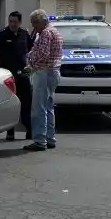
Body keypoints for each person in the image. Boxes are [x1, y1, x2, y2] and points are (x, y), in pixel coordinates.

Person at [0, 11, 33, 141]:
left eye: (15, 22)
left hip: (23, 74)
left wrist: (30, 64)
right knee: (10, 103)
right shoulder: (1, 34)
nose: (12, 24)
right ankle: (10, 131)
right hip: (7, 75)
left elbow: (30, 49)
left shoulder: (24, 33)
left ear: (20, 22)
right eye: (10, 21)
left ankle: (29, 129)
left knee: (27, 103)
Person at [23, 9, 64, 152]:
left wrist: (30, 61)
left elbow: (43, 54)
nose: (34, 26)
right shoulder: (55, 31)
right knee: (48, 106)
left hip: (44, 72)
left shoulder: (45, 33)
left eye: (35, 23)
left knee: (38, 108)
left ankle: (40, 140)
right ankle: (50, 138)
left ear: (43, 21)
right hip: (54, 71)